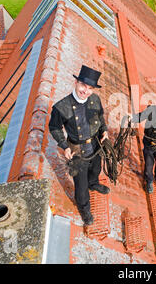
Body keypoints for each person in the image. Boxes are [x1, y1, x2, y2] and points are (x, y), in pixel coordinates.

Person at [49, 65, 109, 226]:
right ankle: (84, 209)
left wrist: (104, 131)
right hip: (76, 150)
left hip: (96, 145)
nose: (86, 90)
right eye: (83, 85)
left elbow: (101, 117)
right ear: (76, 82)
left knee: (96, 169)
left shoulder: (95, 99)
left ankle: (94, 183)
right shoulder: (62, 107)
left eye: (90, 88)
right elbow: (54, 127)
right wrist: (64, 145)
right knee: (81, 187)